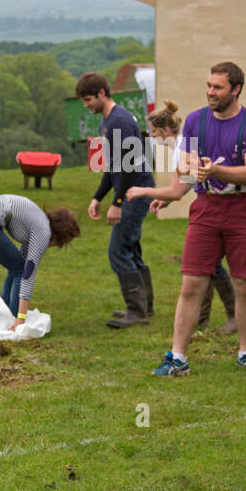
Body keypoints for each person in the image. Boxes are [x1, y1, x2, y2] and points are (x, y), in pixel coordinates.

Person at [152, 61, 246, 377]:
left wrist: (214, 169)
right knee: (191, 283)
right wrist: (178, 185)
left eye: (217, 87)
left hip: (244, 208)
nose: (210, 92)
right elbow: (183, 166)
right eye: (208, 86)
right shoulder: (194, 121)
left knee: (245, 284)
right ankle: (178, 358)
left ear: (236, 89)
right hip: (206, 207)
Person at [125, 100, 237, 333]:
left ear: (166, 131)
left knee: (206, 263)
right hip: (211, 203)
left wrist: (143, 191)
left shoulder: (182, 148)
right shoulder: (185, 144)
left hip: (221, 206)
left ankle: (233, 316)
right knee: (206, 263)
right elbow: (188, 182)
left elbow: (176, 191)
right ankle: (203, 320)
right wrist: (164, 199)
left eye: (155, 133)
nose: (153, 137)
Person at [76, 73, 156, 328]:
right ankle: (145, 307)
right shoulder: (107, 123)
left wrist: (117, 203)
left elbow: (129, 167)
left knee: (118, 250)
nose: (86, 105)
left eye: (88, 99)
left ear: (101, 93)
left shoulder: (119, 121)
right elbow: (112, 168)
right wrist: (97, 197)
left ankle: (137, 311)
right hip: (131, 190)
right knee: (131, 248)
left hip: (137, 191)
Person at [0, 194, 81, 328]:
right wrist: (21, 318)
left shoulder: (36, 221)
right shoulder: (43, 231)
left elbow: (22, 263)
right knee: (20, 269)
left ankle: (4, 314)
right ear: (60, 236)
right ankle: (13, 320)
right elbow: (28, 274)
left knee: (16, 267)